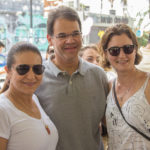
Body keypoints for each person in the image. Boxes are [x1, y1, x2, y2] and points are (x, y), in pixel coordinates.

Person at [35, 6, 108, 150]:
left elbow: (109, 121)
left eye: (75, 33)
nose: (70, 40)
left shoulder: (98, 75)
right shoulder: (36, 78)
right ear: (50, 39)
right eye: (62, 36)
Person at [100, 23, 150, 149]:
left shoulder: (148, 83)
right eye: (114, 50)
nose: (122, 55)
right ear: (106, 53)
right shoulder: (108, 87)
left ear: (135, 49)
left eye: (127, 48)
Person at [0, 41, 58, 150]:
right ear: (8, 71)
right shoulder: (2, 110)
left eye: (37, 69)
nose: (31, 76)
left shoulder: (34, 99)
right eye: (23, 69)